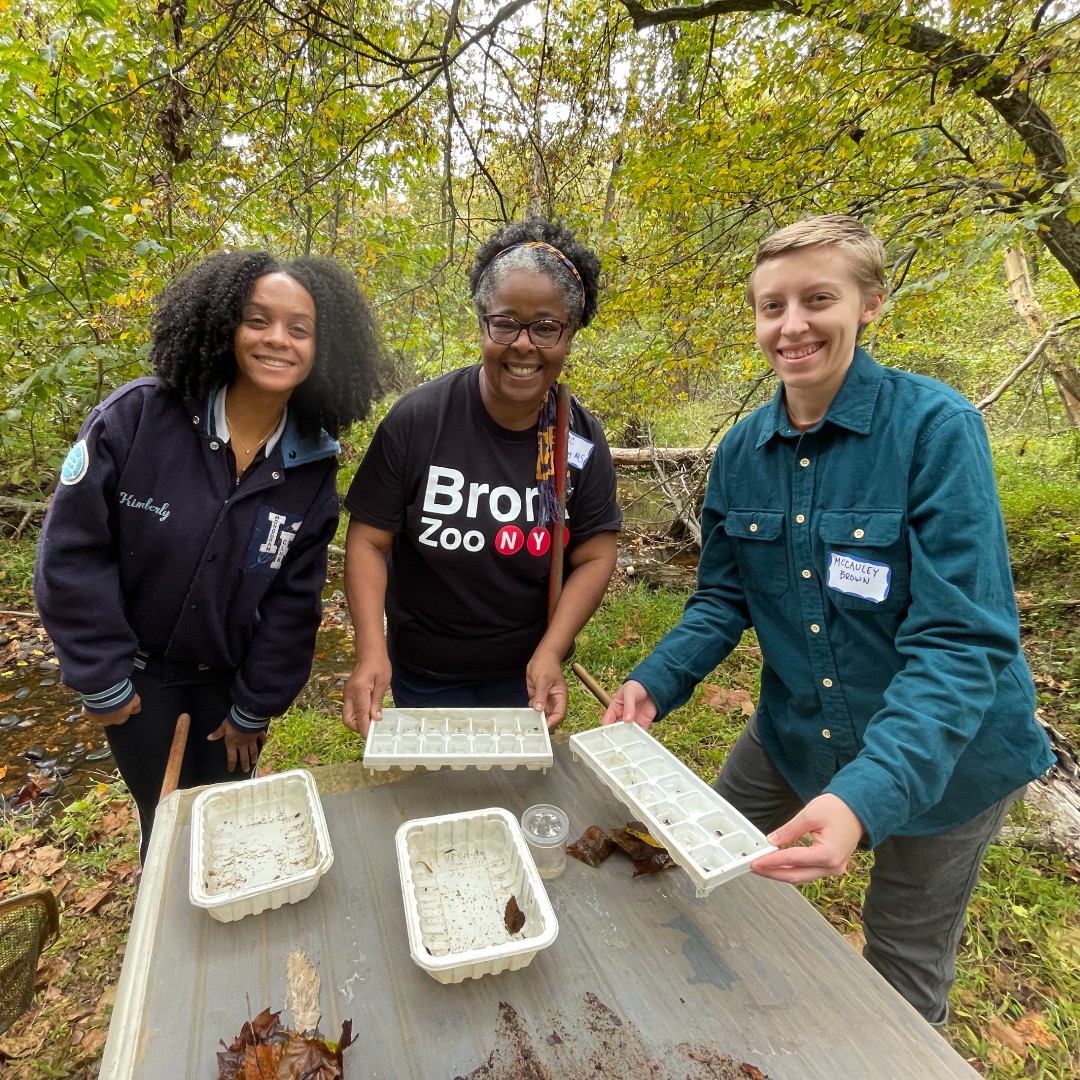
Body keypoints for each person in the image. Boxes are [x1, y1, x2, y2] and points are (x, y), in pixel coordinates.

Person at [602, 215, 1054, 1025]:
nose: (792, 325)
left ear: (869, 303)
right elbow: (723, 597)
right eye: (771, 306)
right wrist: (654, 681)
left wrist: (864, 796)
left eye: (818, 299)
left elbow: (960, 641)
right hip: (796, 727)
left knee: (901, 965)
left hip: (950, 753)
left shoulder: (935, 430)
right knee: (706, 858)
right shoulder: (741, 452)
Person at [34, 251, 382, 860]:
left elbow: (294, 604)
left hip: (229, 681)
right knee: (166, 823)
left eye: (299, 329)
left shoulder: (311, 467)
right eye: (258, 320)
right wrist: (102, 677)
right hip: (139, 677)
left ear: (322, 350)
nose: (278, 339)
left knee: (227, 818)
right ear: (226, 326)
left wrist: (255, 706)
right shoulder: (138, 418)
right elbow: (73, 556)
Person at [341, 218, 621, 737]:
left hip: (526, 674)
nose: (523, 344)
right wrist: (371, 651)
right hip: (425, 669)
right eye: (505, 323)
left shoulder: (579, 441)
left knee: (509, 785)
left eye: (546, 327)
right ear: (482, 323)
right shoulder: (418, 421)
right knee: (439, 785)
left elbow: (596, 554)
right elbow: (368, 540)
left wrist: (552, 650)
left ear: (570, 334)